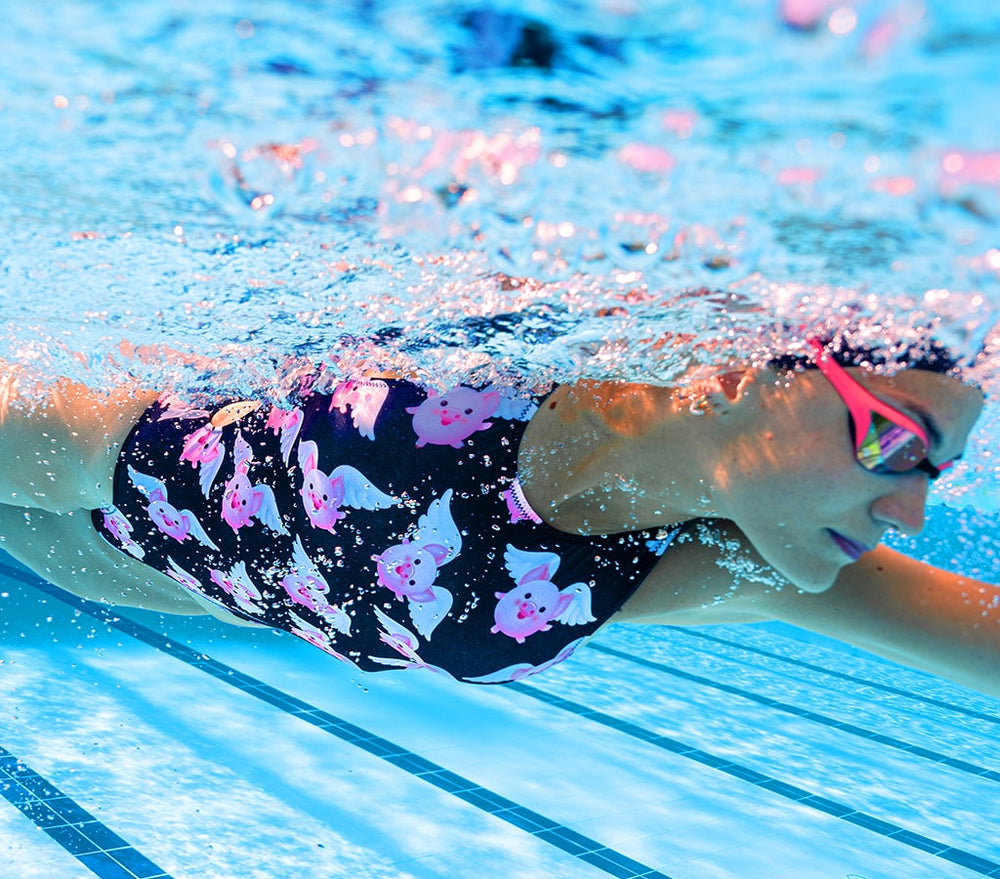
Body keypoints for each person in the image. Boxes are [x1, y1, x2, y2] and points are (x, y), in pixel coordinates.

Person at [0, 336, 996, 694]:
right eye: (891, 441)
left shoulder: (721, 561)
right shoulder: (504, 357)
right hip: (84, 454)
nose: (908, 509)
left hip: (134, 573)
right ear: (742, 371)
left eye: (936, 471)